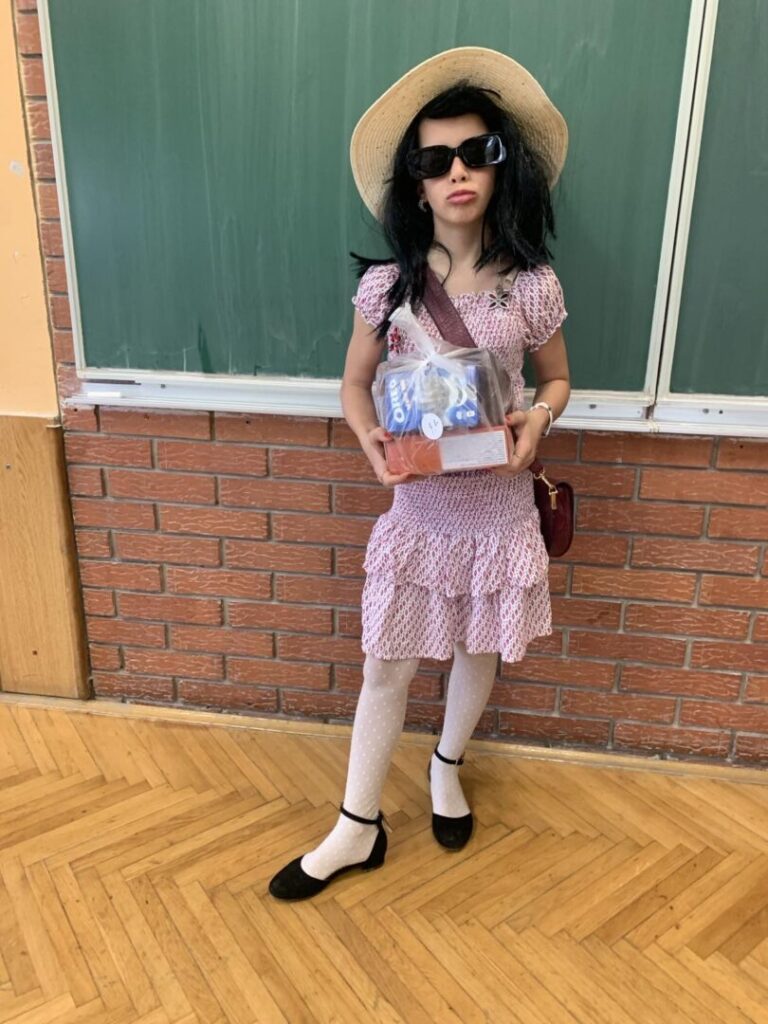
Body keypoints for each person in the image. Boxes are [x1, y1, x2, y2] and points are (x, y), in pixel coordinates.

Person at [269, 46, 571, 901]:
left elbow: (556, 379)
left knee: (477, 648)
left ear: (503, 165)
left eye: (477, 152)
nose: (458, 173)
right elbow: (353, 385)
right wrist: (369, 439)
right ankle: (355, 825)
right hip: (421, 512)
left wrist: (538, 420)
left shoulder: (531, 287)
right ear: (416, 184)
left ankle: (447, 764)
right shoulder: (387, 289)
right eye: (436, 161)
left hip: (498, 504)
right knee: (386, 665)